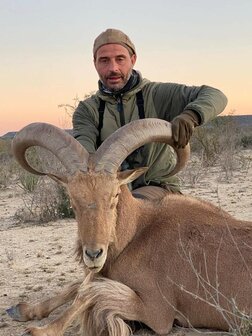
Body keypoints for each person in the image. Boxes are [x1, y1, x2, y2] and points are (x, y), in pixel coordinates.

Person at [72, 28, 228, 193]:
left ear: (133, 60)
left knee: (137, 209)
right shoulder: (88, 110)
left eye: (120, 59)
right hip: (110, 192)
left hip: (158, 189)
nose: (113, 68)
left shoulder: (156, 94)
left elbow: (216, 95)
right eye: (104, 60)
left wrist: (190, 116)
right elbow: (84, 154)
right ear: (94, 63)